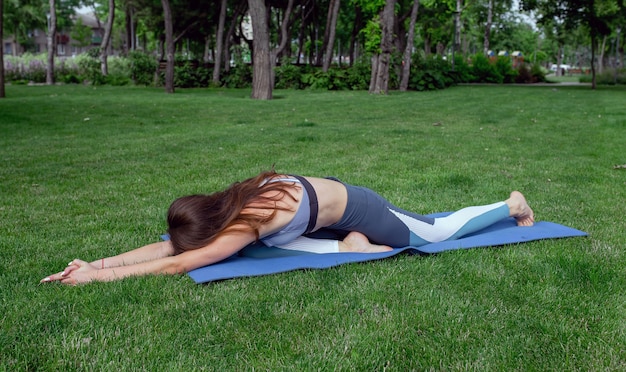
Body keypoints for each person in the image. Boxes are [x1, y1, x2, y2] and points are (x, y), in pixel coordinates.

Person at [41, 170, 534, 285]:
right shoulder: (227, 205)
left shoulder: (246, 220)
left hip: (360, 207)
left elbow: (183, 262)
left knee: (433, 233)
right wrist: (98, 261)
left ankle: (507, 204)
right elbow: (172, 246)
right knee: (266, 249)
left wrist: (97, 279)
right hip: (319, 219)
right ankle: (350, 247)